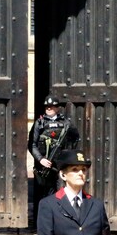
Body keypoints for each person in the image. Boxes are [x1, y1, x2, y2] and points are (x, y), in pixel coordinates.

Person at [28, 95, 79, 223]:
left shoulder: (66, 123)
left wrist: (67, 157)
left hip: (61, 165)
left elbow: (75, 139)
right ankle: (45, 221)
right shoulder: (40, 123)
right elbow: (32, 144)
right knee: (45, 195)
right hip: (45, 166)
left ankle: (63, 221)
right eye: (47, 106)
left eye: (52, 106)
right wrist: (40, 159)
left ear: (57, 108)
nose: (49, 108)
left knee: (63, 193)